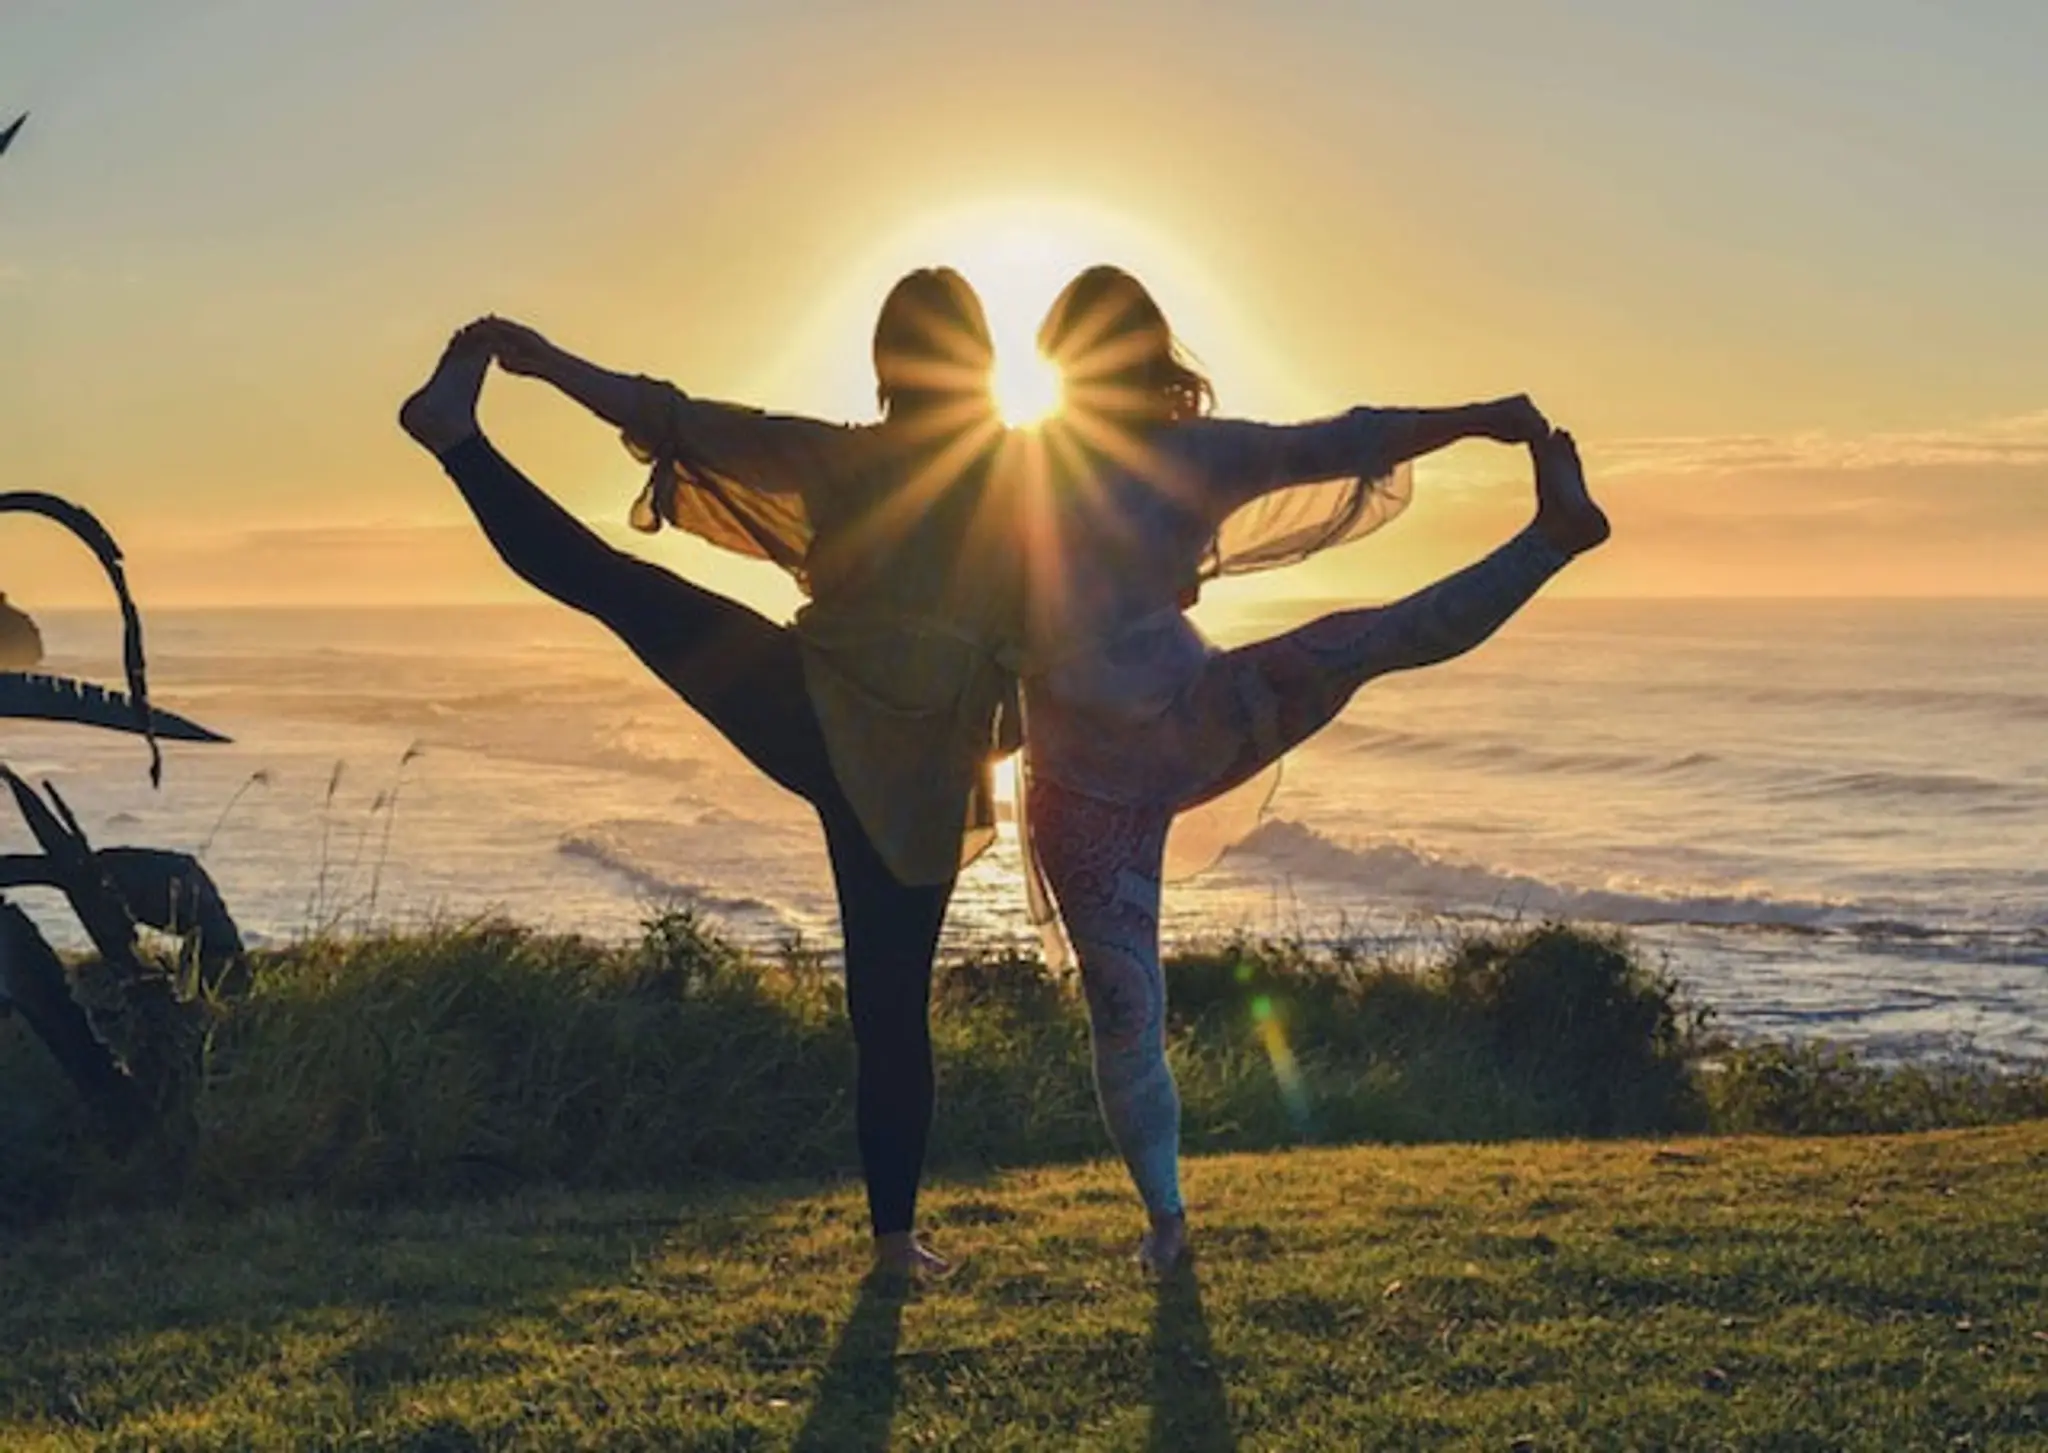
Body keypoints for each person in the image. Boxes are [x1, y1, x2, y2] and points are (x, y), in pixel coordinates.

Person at [398, 269, 1027, 1277]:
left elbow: (678, 419)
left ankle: (459, 447)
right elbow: (1104, 564)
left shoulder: (844, 457)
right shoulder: (1024, 476)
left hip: (812, 716)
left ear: (887, 365)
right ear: (983, 362)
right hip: (918, 773)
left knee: (622, 588)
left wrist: (551, 363)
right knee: (890, 1004)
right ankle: (895, 1241)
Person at [1019, 265, 1610, 1272]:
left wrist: (1478, 417)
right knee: (1124, 1005)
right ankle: (1165, 1223)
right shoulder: (1012, 469)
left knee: (1357, 638)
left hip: (1193, 720)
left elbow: (1344, 437)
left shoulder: (1190, 456)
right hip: (1082, 788)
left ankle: (1553, 538)